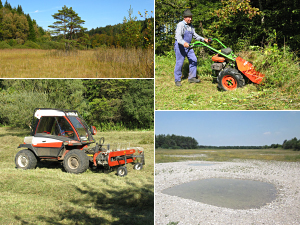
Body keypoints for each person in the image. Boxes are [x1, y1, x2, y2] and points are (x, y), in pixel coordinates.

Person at [174, 9, 209, 86]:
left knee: (194, 59)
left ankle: (192, 77)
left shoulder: (191, 26)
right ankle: (177, 79)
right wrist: (184, 43)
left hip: (189, 46)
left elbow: (195, 35)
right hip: (180, 46)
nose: (190, 19)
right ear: (184, 17)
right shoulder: (181, 25)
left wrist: (204, 39)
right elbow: (178, 37)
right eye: (188, 17)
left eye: (191, 17)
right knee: (180, 63)